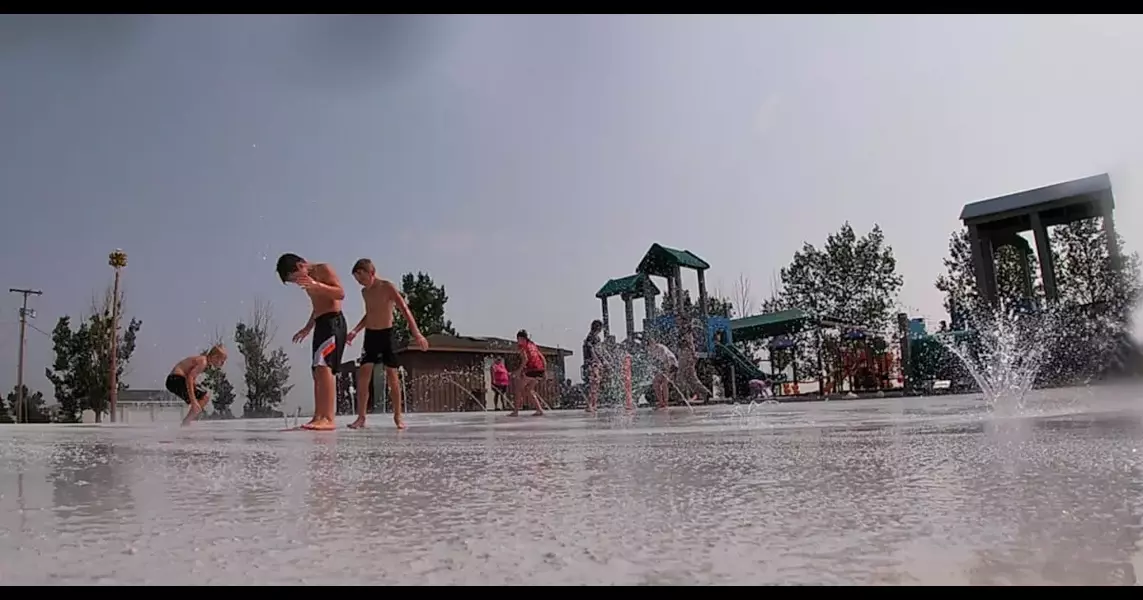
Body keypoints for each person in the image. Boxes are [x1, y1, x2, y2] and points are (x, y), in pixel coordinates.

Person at [345, 258, 428, 430]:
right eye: (357, 280)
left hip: (386, 335)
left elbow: (404, 309)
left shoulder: (387, 287)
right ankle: (361, 418)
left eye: (361, 278)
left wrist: (417, 333)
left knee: (392, 376)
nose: (360, 282)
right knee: (363, 376)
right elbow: (369, 314)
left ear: (371, 273)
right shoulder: (364, 293)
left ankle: (398, 417)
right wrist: (355, 331)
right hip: (370, 336)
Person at [276, 253, 346, 431]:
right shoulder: (307, 283)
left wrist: (317, 285)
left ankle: (329, 418)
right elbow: (317, 307)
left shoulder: (324, 269)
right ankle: (319, 415)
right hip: (321, 324)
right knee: (316, 371)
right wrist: (307, 328)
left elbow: (340, 293)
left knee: (324, 366)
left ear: (301, 265)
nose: (297, 282)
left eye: (295, 278)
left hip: (334, 322)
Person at [166, 345, 227, 426]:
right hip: (175, 379)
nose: (223, 364)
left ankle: (186, 422)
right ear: (215, 357)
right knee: (204, 398)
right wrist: (194, 400)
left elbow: (190, 377)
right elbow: (189, 378)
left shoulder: (203, 361)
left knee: (203, 397)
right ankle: (186, 423)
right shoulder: (203, 362)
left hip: (173, 380)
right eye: (222, 361)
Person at [509, 329, 546, 417]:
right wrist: (544, 372)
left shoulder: (522, 346)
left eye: (517, 339)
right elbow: (543, 359)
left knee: (518, 389)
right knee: (529, 389)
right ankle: (539, 410)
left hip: (532, 370)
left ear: (521, 338)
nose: (517, 341)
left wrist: (518, 372)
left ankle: (516, 412)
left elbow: (525, 359)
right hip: (540, 370)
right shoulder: (533, 345)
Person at [646, 333, 680, 409]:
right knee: (655, 383)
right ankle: (661, 402)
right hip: (663, 367)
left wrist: (667, 371)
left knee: (664, 383)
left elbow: (667, 359)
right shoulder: (650, 351)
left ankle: (666, 402)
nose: (649, 347)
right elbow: (653, 363)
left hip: (672, 365)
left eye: (651, 344)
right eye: (648, 345)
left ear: (654, 343)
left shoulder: (661, 348)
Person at [581, 319, 603, 413]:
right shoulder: (591, 337)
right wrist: (597, 360)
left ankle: (593, 404)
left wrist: (603, 360)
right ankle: (590, 405)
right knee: (593, 383)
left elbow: (598, 351)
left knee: (595, 384)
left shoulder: (595, 337)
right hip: (592, 363)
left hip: (593, 363)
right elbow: (592, 350)